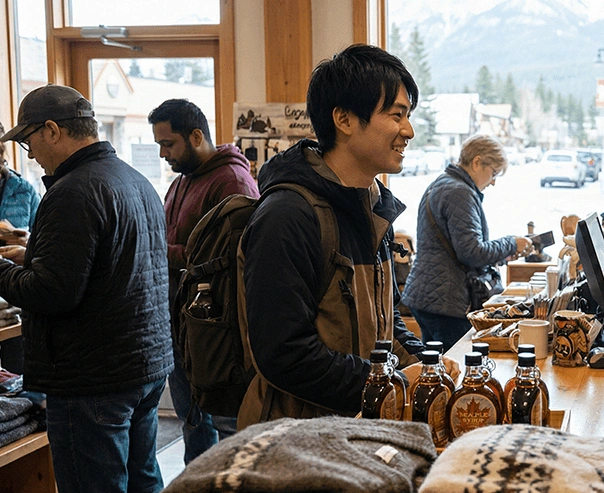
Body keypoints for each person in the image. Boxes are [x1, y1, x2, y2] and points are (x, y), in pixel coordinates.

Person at [237, 44, 453, 429]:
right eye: (396, 115)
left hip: (360, 426)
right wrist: (393, 384)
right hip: (298, 439)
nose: (409, 131)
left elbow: (388, 325)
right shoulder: (288, 215)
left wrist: (430, 368)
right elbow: (284, 355)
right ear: (344, 119)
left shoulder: (372, 207)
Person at [0, 84, 172, 493]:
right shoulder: (134, 180)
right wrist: (34, 253)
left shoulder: (71, 190)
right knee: (143, 479)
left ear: (53, 130)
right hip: (143, 364)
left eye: (29, 142)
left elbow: (52, 292)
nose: (32, 155)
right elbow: (110, 261)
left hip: (93, 378)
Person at [148, 98, 258, 464]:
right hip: (182, 324)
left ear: (196, 136)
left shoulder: (233, 181)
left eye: (168, 144)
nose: (164, 153)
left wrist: (159, 251)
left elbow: (232, 258)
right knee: (193, 422)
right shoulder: (182, 181)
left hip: (218, 331)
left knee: (229, 428)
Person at [402, 134, 533, 352]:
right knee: (456, 369)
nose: (493, 182)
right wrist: (511, 244)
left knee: (434, 367)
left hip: (428, 296)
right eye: (493, 173)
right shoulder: (459, 192)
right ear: (477, 162)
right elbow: (472, 252)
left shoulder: (442, 184)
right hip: (447, 302)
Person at [0, 122, 41, 376]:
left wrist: (27, 240)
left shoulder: (24, 190)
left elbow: (44, 238)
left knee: (18, 376)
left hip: (15, 300)